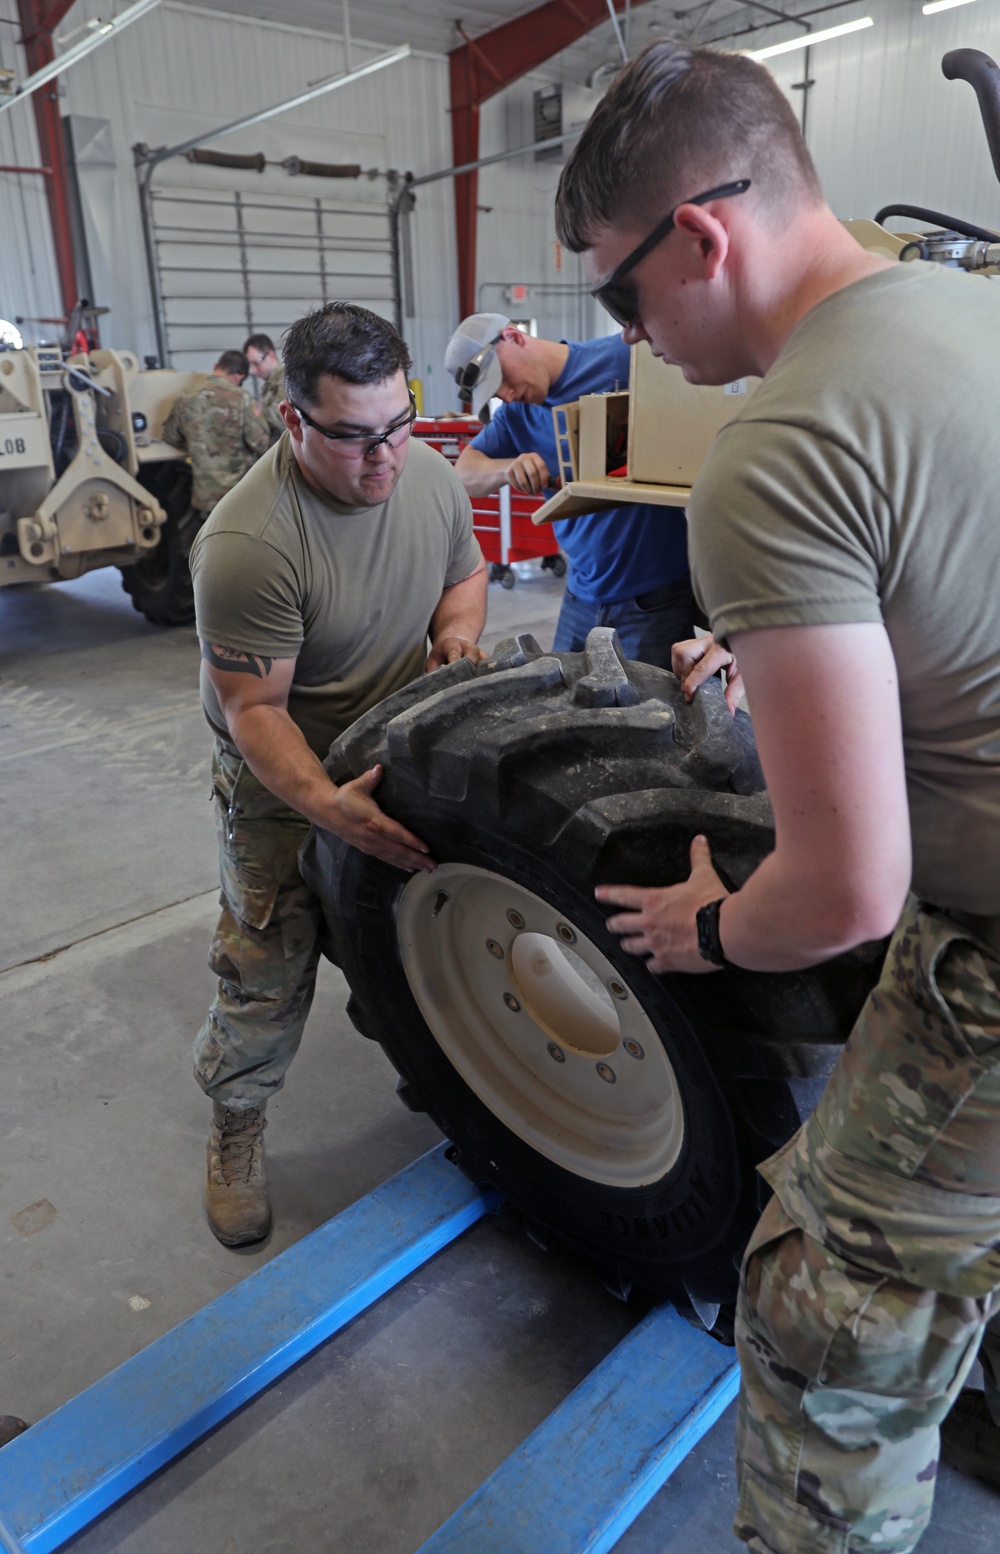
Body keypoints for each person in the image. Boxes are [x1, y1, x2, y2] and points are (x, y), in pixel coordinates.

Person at [555, 37, 1000, 1554]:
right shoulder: (966, 312)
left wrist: (716, 925)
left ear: (703, 236)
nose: (626, 336)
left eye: (620, 296)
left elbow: (845, 893)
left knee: (827, 1328)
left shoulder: (778, 449)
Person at [190, 304, 486, 1249]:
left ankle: (439, 1079)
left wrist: (455, 639)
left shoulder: (430, 477)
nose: (385, 458)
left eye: (398, 425)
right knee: (265, 970)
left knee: (416, 947)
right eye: (354, 439)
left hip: (393, 750)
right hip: (285, 779)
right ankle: (237, 1123)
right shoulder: (251, 543)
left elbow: (464, 571)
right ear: (292, 421)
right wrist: (326, 808)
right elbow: (255, 712)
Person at [445, 316, 694, 665]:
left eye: (502, 380)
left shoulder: (632, 357)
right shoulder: (518, 413)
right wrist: (507, 468)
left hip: (653, 599)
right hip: (579, 595)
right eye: (495, 393)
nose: (507, 394)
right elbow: (463, 473)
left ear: (513, 337)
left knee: (656, 713)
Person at [160, 351, 270, 515]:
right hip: (239, 496)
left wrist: (195, 443)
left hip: (205, 499)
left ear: (216, 367)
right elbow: (261, 443)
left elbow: (170, 436)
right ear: (240, 375)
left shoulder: (184, 397)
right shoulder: (242, 398)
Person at [243, 331, 286, 442]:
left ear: (271, 355)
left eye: (256, 363)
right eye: (250, 365)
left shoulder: (286, 380)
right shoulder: (270, 385)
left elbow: (281, 415)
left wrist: (255, 412)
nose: (253, 370)